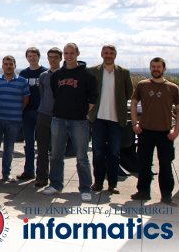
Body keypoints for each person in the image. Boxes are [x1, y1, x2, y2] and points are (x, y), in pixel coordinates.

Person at [43, 43, 97, 202]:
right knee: (56, 154)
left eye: (72, 53)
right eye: (66, 53)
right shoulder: (57, 75)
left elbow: (92, 99)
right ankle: (56, 184)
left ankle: (86, 187)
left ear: (78, 53)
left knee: (81, 156)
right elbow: (55, 94)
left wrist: (81, 112)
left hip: (79, 121)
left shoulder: (87, 75)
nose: (68, 56)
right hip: (58, 119)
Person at [130, 57, 179, 205]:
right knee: (143, 164)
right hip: (145, 131)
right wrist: (134, 124)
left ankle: (166, 195)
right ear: (150, 68)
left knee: (165, 165)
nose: (156, 69)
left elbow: (178, 111)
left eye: (158, 67)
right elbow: (133, 104)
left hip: (165, 133)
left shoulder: (173, 88)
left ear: (164, 69)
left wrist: (176, 131)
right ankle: (143, 192)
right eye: (153, 67)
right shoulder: (142, 85)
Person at [88, 44, 132, 194]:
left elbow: (128, 92)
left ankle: (112, 184)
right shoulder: (93, 71)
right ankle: (98, 182)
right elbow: (87, 93)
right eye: (106, 53)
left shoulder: (124, 73)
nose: (108, 55)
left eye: (111, 53)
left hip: (116, 119)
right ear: (101, 54)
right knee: (98, 152)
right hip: (98, 118)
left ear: (115, 55)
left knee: (114, 153)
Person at [0, 55, 30, 183]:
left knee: (9, 149)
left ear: (14, 65)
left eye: (11, 64)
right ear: (3, 66)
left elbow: (25, 99)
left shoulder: (22, 81)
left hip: (14, 121)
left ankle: (6, 174)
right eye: (6, 64)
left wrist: (17, 110)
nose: (8, 66)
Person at [18, 47, 47, 181]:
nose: (32, 58)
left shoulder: (45, 72)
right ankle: (29, 171)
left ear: (39, 57)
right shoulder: (23, 73)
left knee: (42, 144)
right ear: (27, 58)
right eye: (29, 56)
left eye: (34, 55)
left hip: (42, 112)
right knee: (28, 143)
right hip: (27, 112)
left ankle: (42, 173)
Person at [35, 47, 62, 187]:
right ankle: (41, 177)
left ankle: (56, 179)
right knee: (42, 149)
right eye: (50, 57)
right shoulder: (43, 76)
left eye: (55, 57)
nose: (53, 60)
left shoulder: (65, 75)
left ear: (60, 59)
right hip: (43, 114)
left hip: (59, 116)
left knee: (57, 151)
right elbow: (43, 94)